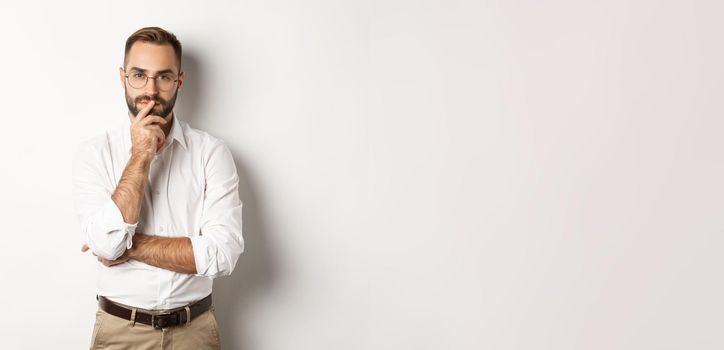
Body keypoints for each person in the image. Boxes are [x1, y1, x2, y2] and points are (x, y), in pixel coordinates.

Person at [73, 27, 244, 349]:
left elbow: (222, 254)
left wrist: (129, 246)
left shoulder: (211, 152)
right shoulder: (94, 153)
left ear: (179, 81)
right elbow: (106, 247)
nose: (150, 89)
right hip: (120, 330)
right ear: (123, 77)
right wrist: (140, 155)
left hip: (195, 330)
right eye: (139, 75)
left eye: (163, 77)